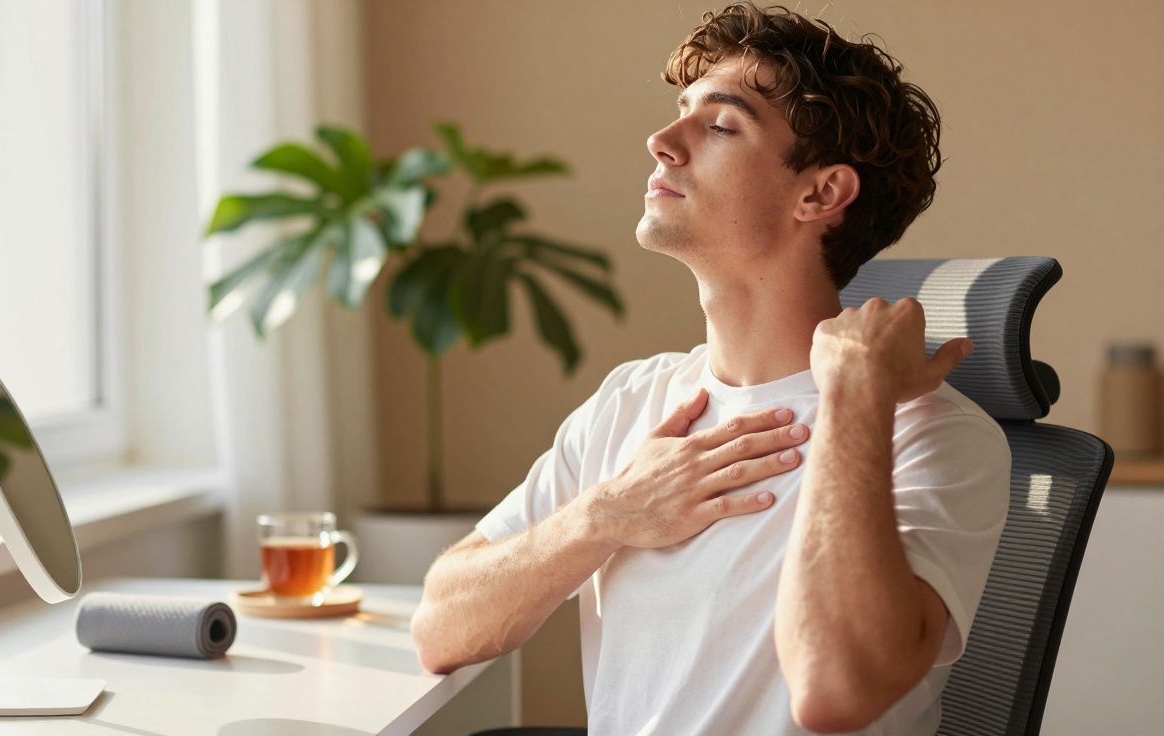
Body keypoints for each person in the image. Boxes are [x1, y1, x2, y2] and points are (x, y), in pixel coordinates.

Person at [410, 3, 1011, 734]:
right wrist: (605, 517)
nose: (662, 142)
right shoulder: (632, 402)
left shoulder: (934, 436)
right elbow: (439, 626)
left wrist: (853, 394)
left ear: (820, 194)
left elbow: (834, 695)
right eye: (679, 114)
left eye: (721, 125)